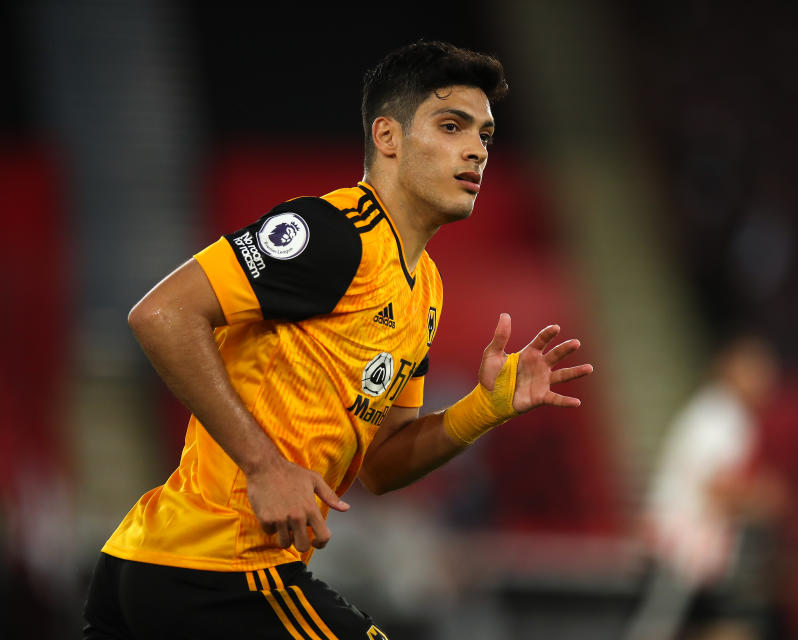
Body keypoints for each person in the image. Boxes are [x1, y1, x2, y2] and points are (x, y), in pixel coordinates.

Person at [82, 41, 594, 639]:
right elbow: (162, 314)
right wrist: (264, 465)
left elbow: (381, 464)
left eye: (484, 134)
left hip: (161, 566)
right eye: (451, 126)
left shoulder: (424, 290)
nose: (476, 150)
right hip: (219, 569)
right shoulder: (333, 234)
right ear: (388, 137)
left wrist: (483, 409)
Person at [625, 335, 782, 640]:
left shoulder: (720, 412)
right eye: (754, 369)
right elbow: (717, 487)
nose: (764, 379)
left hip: (691, 545)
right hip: (681, 545)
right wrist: (762, 498)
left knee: (721, 624)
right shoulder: (722, 414)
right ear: (730, 368)